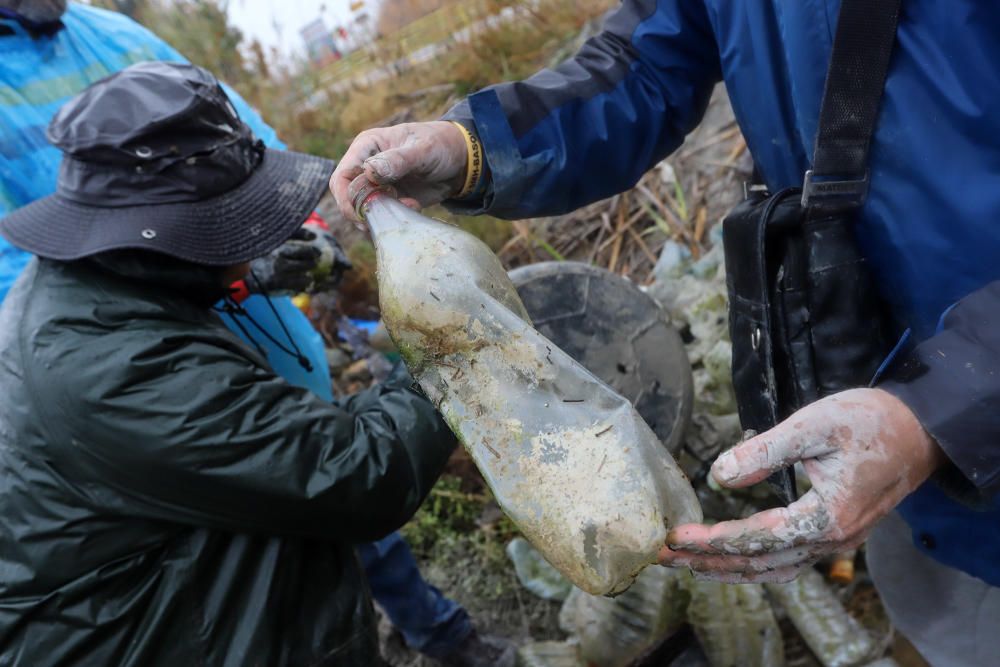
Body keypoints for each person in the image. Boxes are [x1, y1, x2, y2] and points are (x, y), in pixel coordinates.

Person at [332, 1, 1000, 664]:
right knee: (945, 615)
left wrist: (937, 410)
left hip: (950, 408)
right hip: (890, 437)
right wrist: (472, 147)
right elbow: (645, 64)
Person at [0, 4, 513, 664]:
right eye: (237, 222)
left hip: (166, 573)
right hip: (137, 636)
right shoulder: (113, 366)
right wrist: (457, 339)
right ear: (176, 234)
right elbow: (354, 472)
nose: (254, 234)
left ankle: (431, 630)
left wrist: (242, 266)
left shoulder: (100, 279)